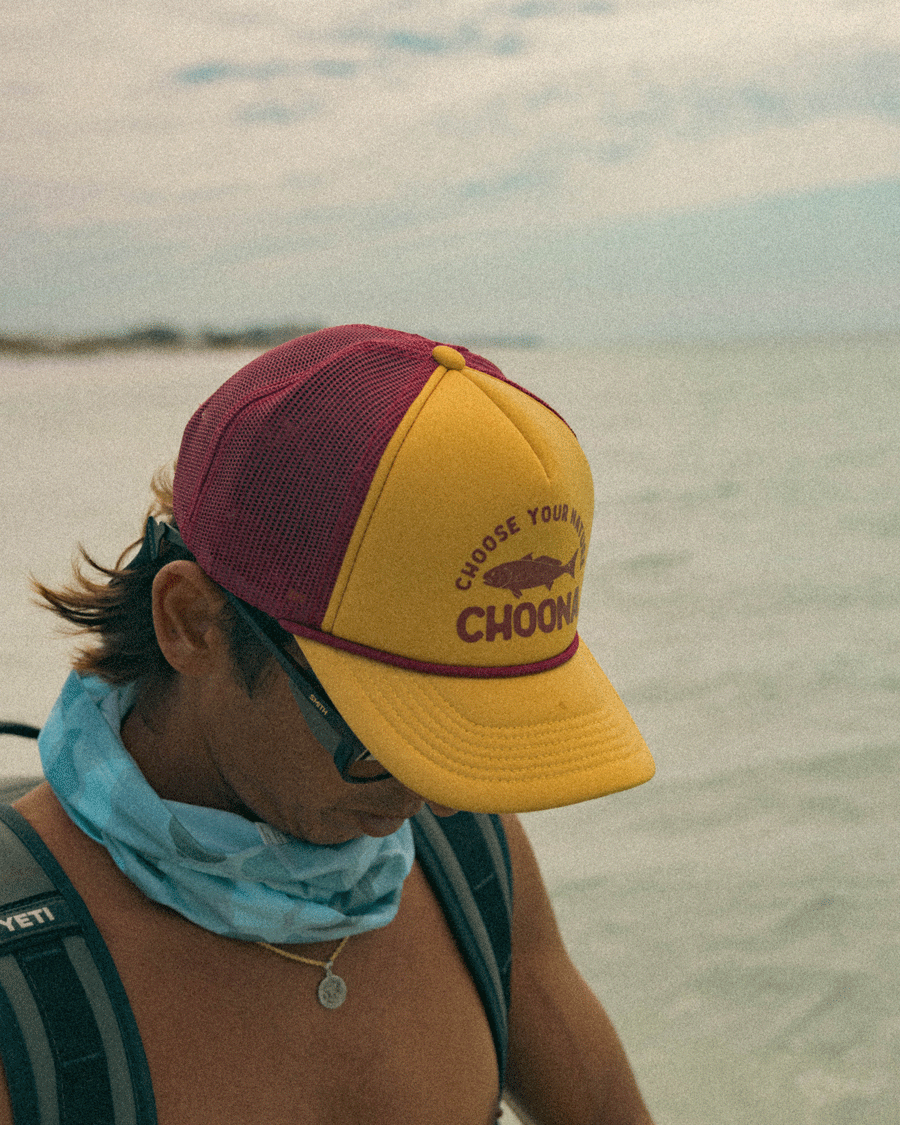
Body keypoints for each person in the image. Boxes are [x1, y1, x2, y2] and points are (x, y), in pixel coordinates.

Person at [2, 325, 657, 1124]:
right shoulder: (23, 977)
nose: (438, 802)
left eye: (467, 737)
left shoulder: (473, 864)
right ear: (193, 624)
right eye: (386, 732)